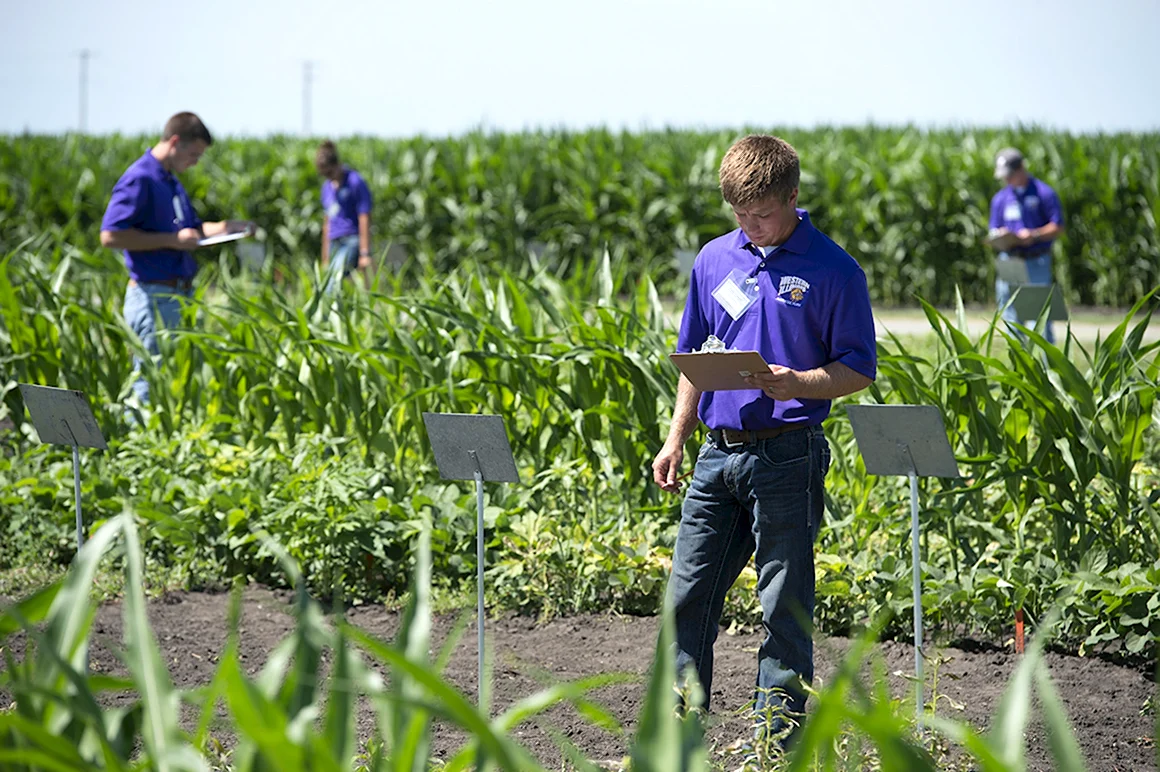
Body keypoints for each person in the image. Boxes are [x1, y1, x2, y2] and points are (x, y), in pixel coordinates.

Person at [651, 135, 877, 744]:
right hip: (715, 454)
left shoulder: (835, 270)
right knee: (688, 592)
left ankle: (775, 735)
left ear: (794, 197)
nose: (750, 226)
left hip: (787, 452)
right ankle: (678, 722)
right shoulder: (713, 260)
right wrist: (676, 440)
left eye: (763, 214)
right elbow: (694, 360)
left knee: (783, 603)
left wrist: (797, 382)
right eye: (739, 214)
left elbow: (857, 367)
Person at [100, 112, 252, 405]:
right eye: (194, 154)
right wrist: (171, 241)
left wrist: (226, 228)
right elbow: (110, 236)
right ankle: (138, 446)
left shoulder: (170, 180)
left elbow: (190, 229)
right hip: (152, 296)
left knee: (172, 385)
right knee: (147, 385)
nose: (195, 162)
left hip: (177, 296)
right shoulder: (140, 178)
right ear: (174, 142)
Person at [988, 148, 1065, 344]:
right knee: (1011, 315)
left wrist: (1034, 235)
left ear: (1022, 168)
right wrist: (1002, 237)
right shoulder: (1000, 199)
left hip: (1036, 260)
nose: (1007, 180)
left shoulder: (1044, 193)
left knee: (1040, 317)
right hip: (1010, 260)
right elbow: (993, 229)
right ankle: (1019, 366)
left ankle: (1048, 371)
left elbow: (1058, 226)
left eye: (1010, 175)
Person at [315, 141, 373, 290]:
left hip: (351, 240)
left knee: (333, 282)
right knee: (332, 282)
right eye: (324, 175)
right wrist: (325, 256)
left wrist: (365, 253)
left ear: (337, 165)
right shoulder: (326, 187)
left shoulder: (355, 181)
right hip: (334, 241)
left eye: (329, 173)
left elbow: (364, 216)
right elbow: (327, 221)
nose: (328, 177)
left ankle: (328, 313)